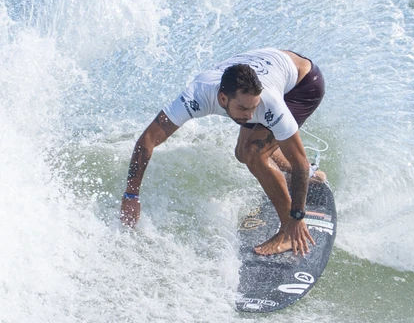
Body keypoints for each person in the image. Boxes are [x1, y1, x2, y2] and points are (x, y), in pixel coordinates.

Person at [120, 48, 326, 256]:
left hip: (304, 84)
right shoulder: (197, 95)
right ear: (222, 98)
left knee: (254, 153)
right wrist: (131, 195)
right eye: (244, 109)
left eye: (253, 107)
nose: (251, 114)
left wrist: (297, 216)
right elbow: (147, 141)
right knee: (243, 154)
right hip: (275, 65)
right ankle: (308, 177)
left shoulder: (267, 102)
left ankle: (288, 232)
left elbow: (299, 160)